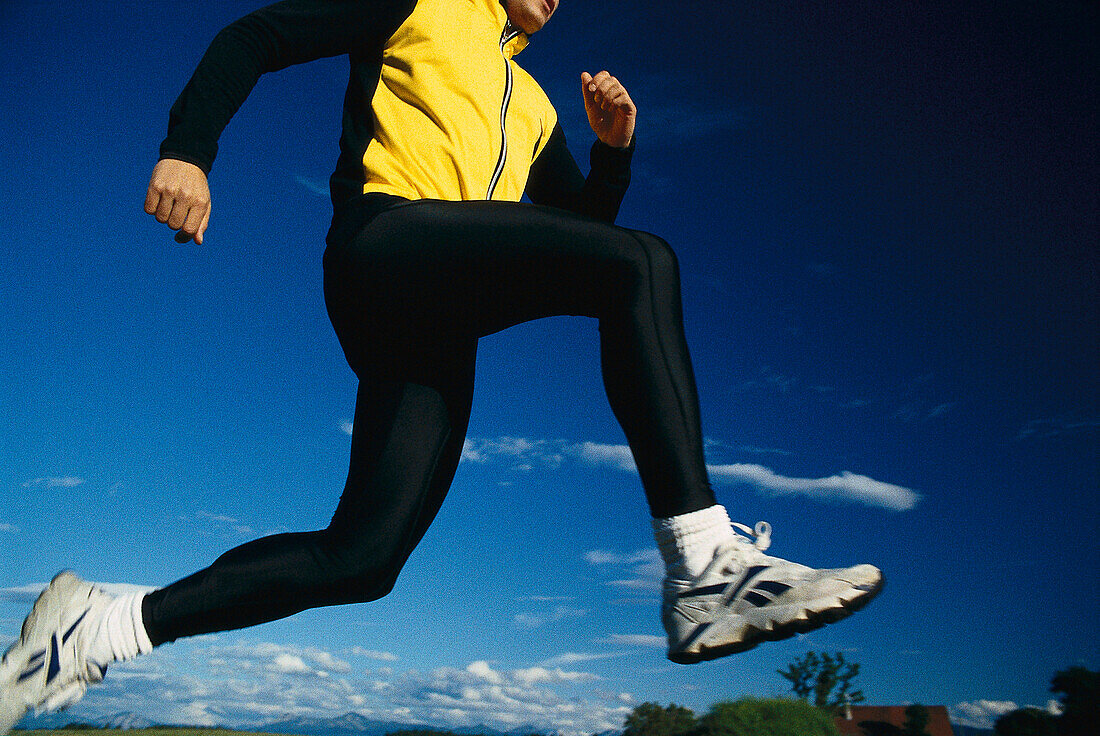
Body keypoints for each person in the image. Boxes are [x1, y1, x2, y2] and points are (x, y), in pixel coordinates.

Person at [0, 0, 883, 730]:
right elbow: (257, 37)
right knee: (646, 264)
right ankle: (702, 564)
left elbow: (587, 229)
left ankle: (102, 626)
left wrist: (613, 151)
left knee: (363, 560)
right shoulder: (422, 3)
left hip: (438, 318)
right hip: (385, 246)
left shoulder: (536, 104)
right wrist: (188, 147)